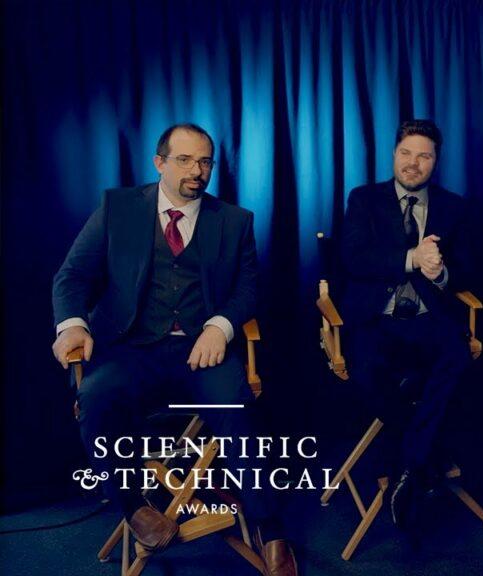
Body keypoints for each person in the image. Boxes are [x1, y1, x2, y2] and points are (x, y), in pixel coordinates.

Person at [51, 124, 298, 576]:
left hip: (202, 352)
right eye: (184, 160)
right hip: (131, 348)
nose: (197, 171)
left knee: (237, 405)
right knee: (95, 397)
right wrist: (71, 327)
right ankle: (133, 506)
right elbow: (72, 276)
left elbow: (247, 290)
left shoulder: (235, 220)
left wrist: (220, 327)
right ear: (159, 162)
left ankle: (270, 525)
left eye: (205, 161)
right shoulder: (118, 208)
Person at [339, 119, 474, 528]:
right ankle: (421, 458)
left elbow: (470, 270)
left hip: (429, 317)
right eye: (406, 153)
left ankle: (405, 466)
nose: (413, 163)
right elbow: (354, 259)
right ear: (394, 155)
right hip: (376, 318)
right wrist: (412, 259)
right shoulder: (364, 199)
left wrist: (440, 273)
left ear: (436, 161)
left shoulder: (454, 207)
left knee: (457, 356)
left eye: (424, 156)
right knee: (366, 372)